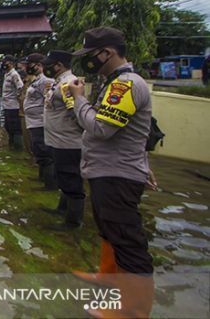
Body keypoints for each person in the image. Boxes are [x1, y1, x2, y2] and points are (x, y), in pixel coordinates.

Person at [68, 27, 156, 318]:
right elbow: (135, 132)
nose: (88, 61)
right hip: (107, 171)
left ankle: (132, 309)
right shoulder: (114, 82)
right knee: (109, 229)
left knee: (127, 239)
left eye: (91, 55)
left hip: (117, 174)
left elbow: (101, 128)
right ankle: (108, 277)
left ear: (106, 52)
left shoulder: (126, 85)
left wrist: (79, 99)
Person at [42, 50, 85, 228]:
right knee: (63, 177)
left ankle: (73, 222)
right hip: (58, 140)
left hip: (67, 142)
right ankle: (62, 209)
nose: (46, 68)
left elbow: (76, 112)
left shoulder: (68, 84)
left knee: (71, 179)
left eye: (49, 65)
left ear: (59, 65)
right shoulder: (58, 82)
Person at [22, 53, 56, 190]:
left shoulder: (46, 81)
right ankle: (42, 177)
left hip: (40, 121)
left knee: (44, 152)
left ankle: (49, 185)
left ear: (39, 65)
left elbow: (48, 100)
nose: (27, 67)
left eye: (29, 64)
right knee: (39, 150)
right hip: (34, 121)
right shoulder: (38, 79)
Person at [1, 55, 24, 149]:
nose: (3, 64)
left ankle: (17, 147)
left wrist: (17, 97)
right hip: (7, 105)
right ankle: (11, 145)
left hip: (13, 106)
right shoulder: (7, 74)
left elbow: (20, 87)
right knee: (8, 126)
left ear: (10, 63)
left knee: (15, 128)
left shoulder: (14, 75)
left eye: (5, 62)